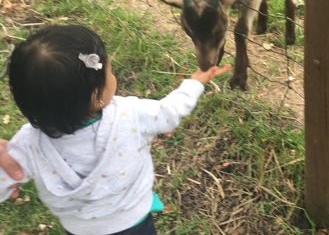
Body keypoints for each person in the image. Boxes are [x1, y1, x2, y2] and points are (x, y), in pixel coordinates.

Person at [0, 25, 230, 235]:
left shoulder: (28, 142)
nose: (113, 75)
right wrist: (195, 83)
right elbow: (170, 112)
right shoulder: (129, 114)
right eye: (109, 73)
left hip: (79, 230)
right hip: (135, 224)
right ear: (97, 95)